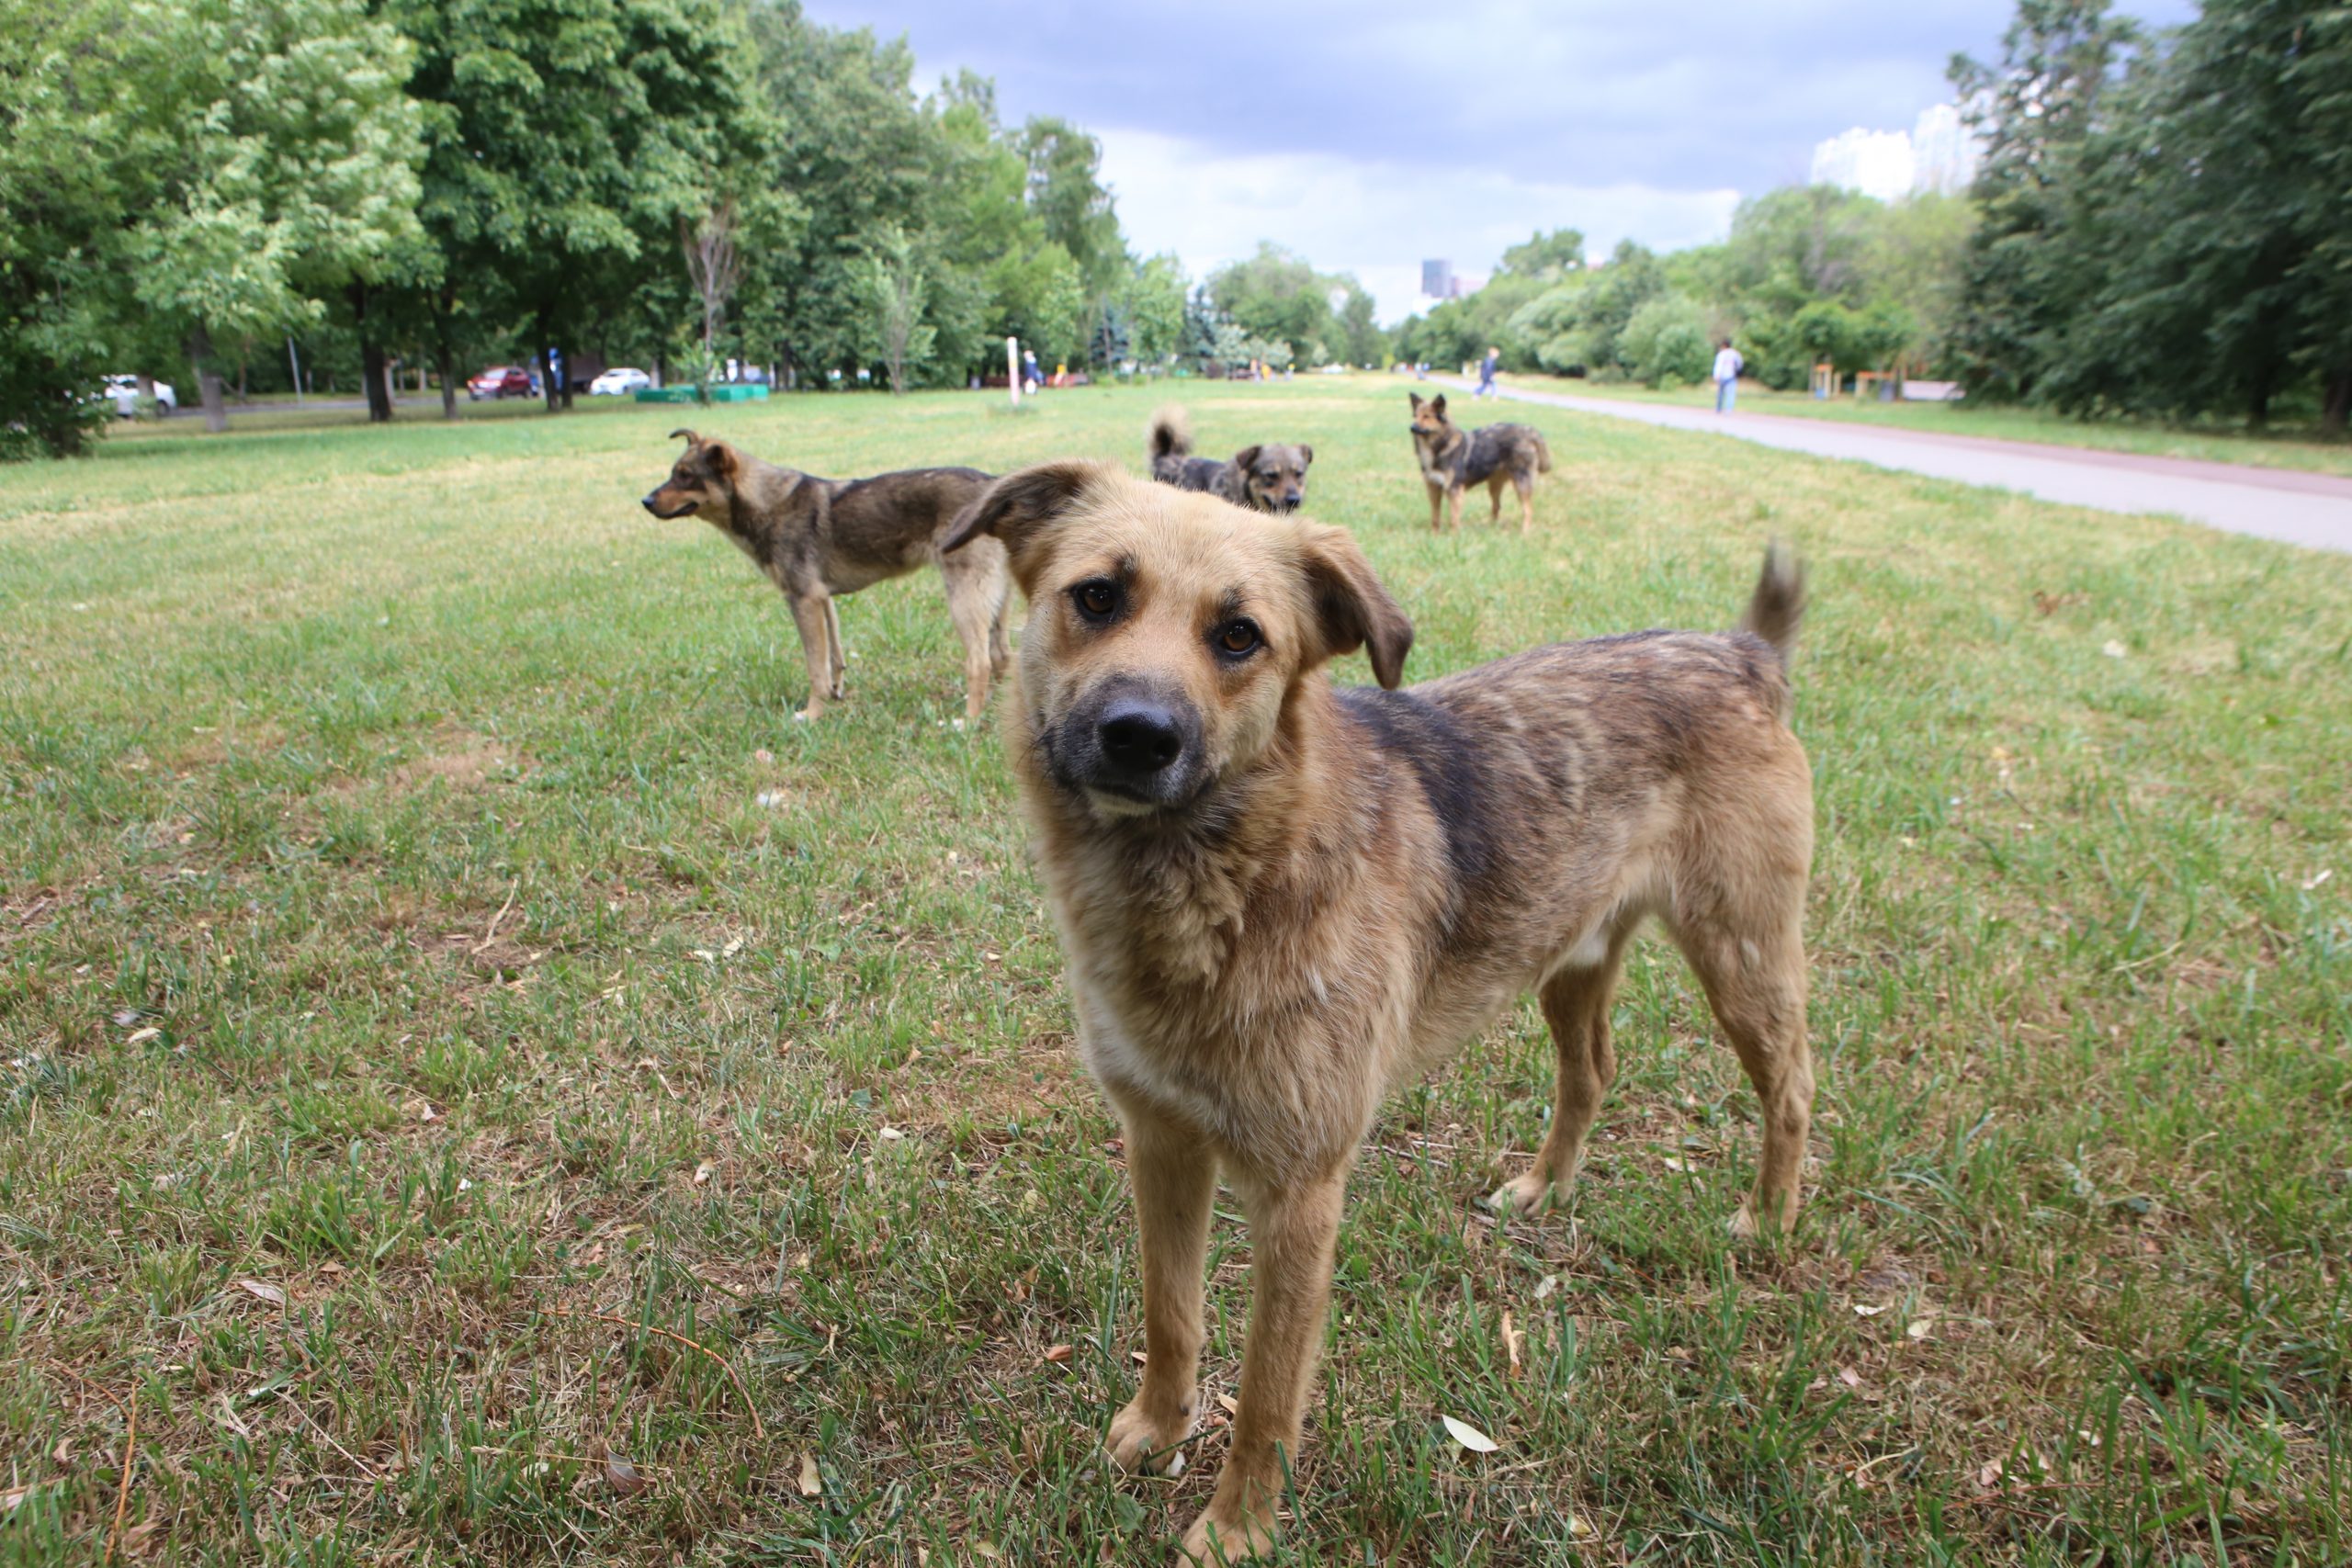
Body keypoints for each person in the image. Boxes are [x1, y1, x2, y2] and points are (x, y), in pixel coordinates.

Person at [1713, 339, 1745, 413]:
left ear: (1724, 345)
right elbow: (1740, 364)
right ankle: (1729, 409)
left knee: (1721, 393)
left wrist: (1716, 375)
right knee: (1731, 393)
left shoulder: (1721, 354)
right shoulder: (1735, 353)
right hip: (1732, 376)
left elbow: (1718, 365)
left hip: (1722, 376)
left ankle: (1719, 408)